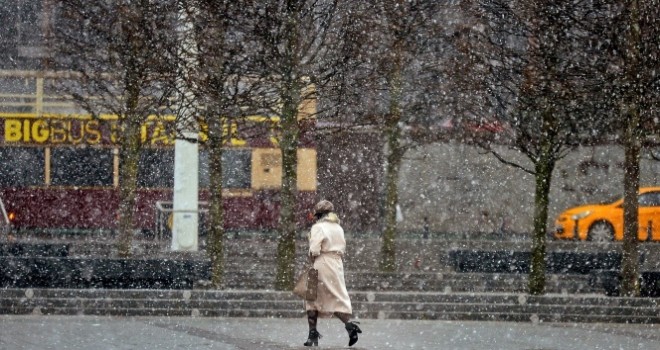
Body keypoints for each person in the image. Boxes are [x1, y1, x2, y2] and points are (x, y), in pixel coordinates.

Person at [303, 199, 362, 347]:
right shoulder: (338, 228)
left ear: (319, 215)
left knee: (311, 299)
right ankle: (349, 324)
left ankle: (312, 335)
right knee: (334, 298)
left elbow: (315, 249)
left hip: (321, 263)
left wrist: (311, 257)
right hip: (337, 264)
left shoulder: (318, 227)